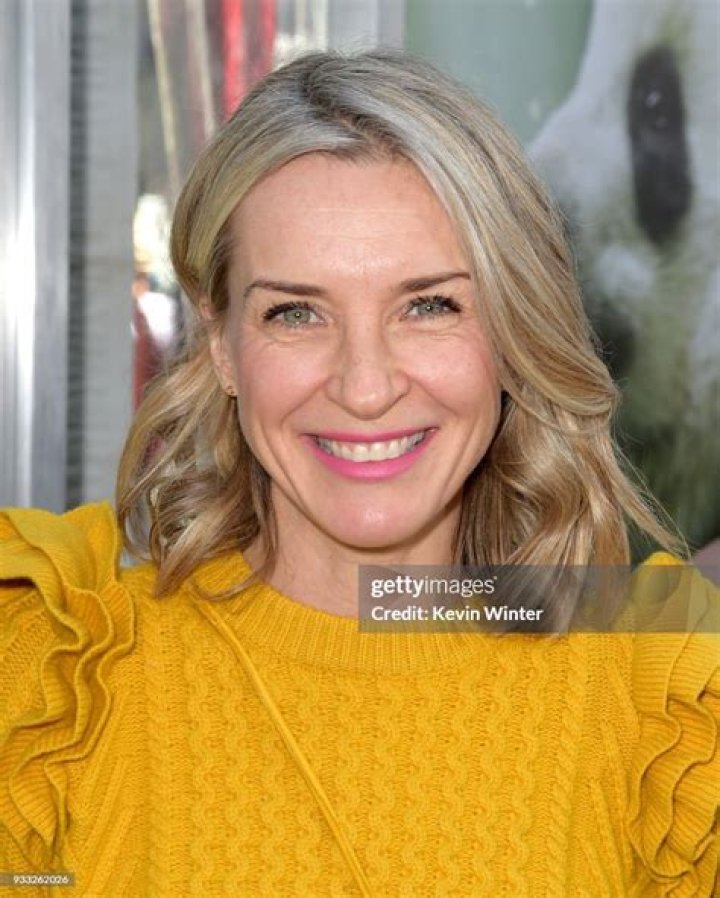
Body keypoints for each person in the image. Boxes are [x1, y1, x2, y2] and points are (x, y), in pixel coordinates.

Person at [1, 50, 717, 897]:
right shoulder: (55, 683)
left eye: (429, 305)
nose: (366, 387)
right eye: (296, 313)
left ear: (513, 330)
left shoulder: (658, 713)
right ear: (222, 345)